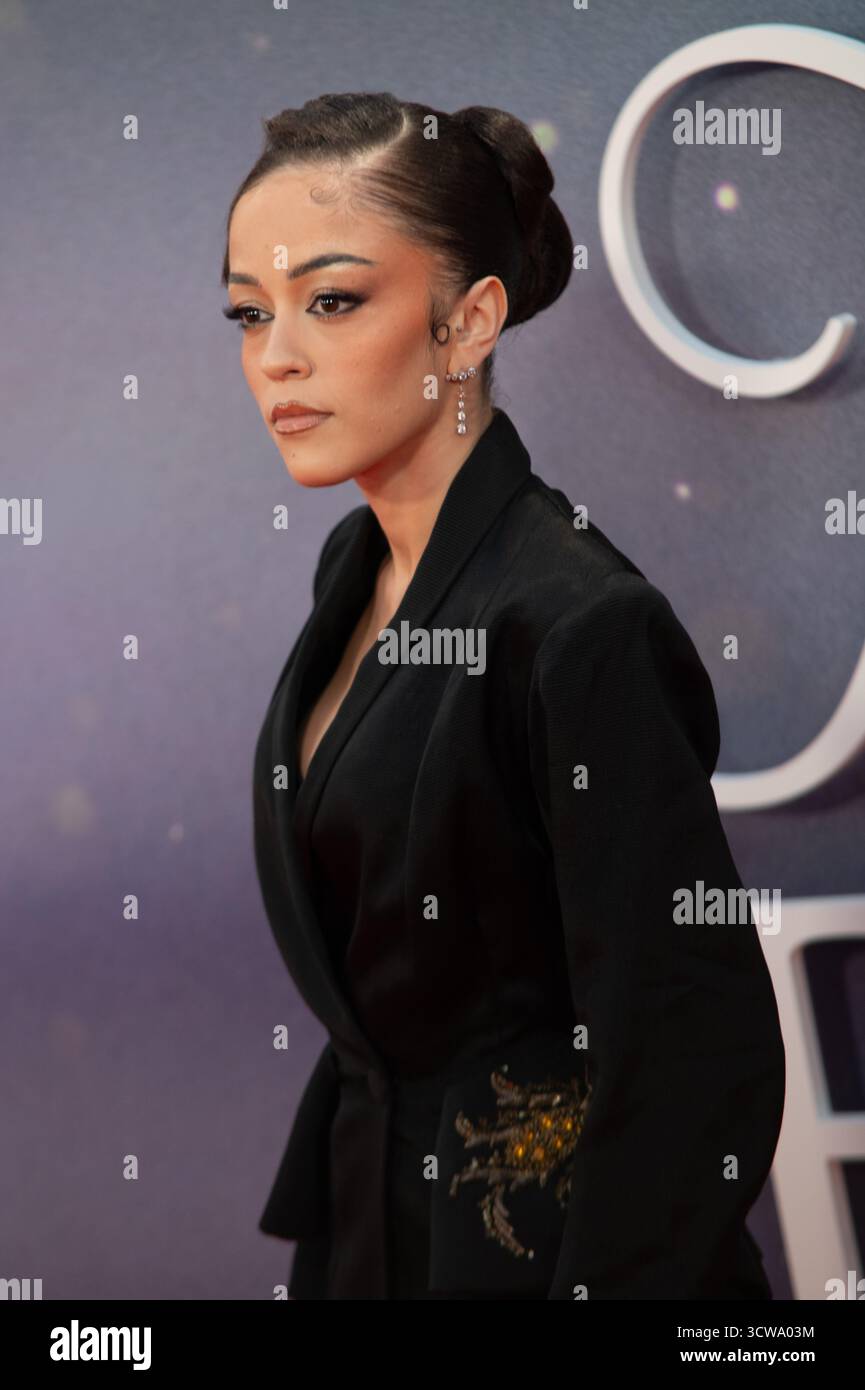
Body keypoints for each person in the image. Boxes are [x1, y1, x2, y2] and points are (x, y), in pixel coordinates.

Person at [220, 91, 786, 1300]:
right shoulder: (357, 567)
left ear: (469, 319)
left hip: (545, 1253)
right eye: (247, 313)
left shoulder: (580, 624)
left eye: (330, 301)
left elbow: (692, 1050)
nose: (276, 355)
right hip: (377, 1227)